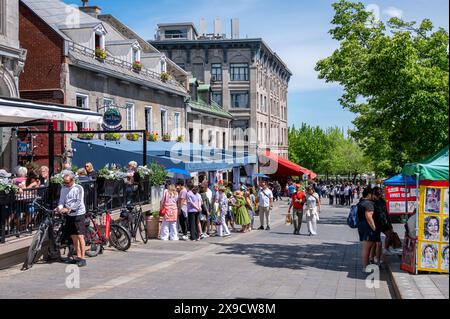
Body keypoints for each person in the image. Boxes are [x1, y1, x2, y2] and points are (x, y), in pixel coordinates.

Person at [55, 172, 87, 267]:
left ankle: (83, 258)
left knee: (80, 236)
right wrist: (60, 208)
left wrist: (68, 209)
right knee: (73, 236)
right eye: (64, 182)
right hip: (69, 214)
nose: (66, 184)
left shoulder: (79, 188)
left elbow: (78, 202)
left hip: (78, 213)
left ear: (72, 180)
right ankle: (78, 256)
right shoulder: (63, 188)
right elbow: (61, 201)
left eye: (67, 182)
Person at [357, 187, 379, 273]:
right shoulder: (368, 204)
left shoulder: (361, 202)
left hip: (362, 226)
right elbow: (369, 216)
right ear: (369, 194)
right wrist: (374, 227)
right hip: (368, 227)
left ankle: (366, 265)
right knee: (367, 248)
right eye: (373, 194)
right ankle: (365, 266)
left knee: (368, 247)